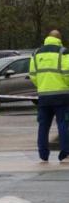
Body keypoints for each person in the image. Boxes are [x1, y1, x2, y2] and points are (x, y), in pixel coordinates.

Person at [29, 30, 69, 162]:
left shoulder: (36, 53)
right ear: (59, 39)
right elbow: (67, 73)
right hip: (61, 96)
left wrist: (42, 85)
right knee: (63, 124)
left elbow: (33, 75)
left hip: (43, 96)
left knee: (43, 126)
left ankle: (43, 154)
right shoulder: (63, 52)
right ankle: (64, 153)